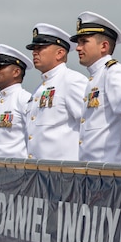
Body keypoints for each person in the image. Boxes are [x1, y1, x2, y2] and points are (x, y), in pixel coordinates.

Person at [71, 12, 121, 163]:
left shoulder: (113, 72)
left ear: (104, 46)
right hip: (93, 170)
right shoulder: (95, 77)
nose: (78, 48)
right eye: (78, 43)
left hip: (108, 169)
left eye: (84, 42)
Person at [24, 23, 88, 161]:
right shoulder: (38, 90)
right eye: (34, 49)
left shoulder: (72, 81)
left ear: (60, 53)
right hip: (38, 174)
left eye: (40, 48)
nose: (35, 52)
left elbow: (88, 125)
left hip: (63, 173)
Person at [0, 44, 32, 158]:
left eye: (1, 67)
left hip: (18, 171)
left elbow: (32, 137)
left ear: (16, 72)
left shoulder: (24, 99)